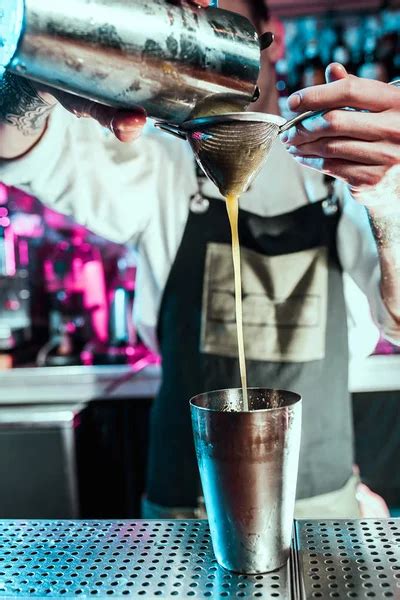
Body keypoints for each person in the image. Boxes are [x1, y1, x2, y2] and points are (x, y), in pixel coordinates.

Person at [1, 0, 400, 519]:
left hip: (320, 507)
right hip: (187, 513)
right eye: (186, 33)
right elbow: (22, 147)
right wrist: (30, 73)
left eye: (219, 28)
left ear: (267, 34)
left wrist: (389, 198)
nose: (201, 55)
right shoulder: (159, 164)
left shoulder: (340, 168)